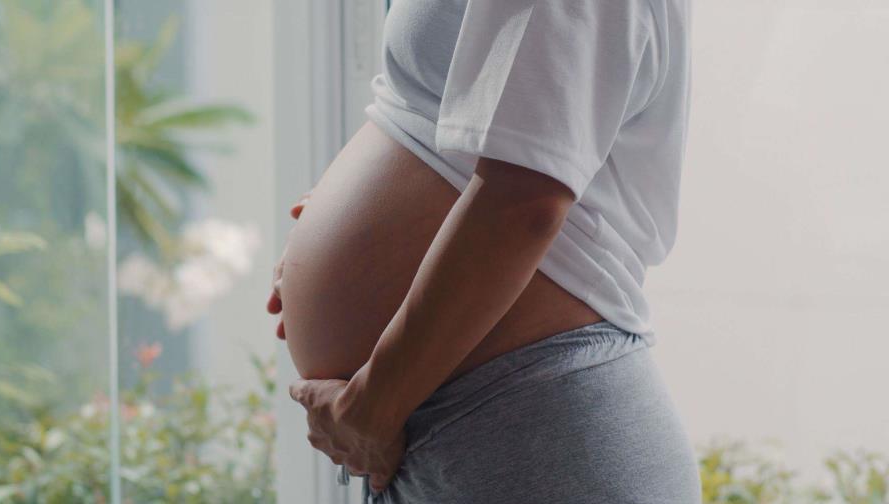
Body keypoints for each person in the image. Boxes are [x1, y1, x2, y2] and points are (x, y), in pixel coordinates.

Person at [268, 0, 700, 502]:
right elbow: (446, 119)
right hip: (477, 429)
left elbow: (524, 202)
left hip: (533, 434)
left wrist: (371, 409)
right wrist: (343, 214)